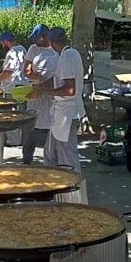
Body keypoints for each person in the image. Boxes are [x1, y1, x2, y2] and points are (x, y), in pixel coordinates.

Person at [35, 26, 85, 172]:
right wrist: (40, 88)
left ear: (51, 41)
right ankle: (53, 189)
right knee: (50, 154)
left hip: (67, 114)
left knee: (68, 160)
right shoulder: (71, 54)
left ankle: (74, 191)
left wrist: (44, 91)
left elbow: (70, 89)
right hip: (61, 114)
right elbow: (59, 81)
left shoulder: (66, 57)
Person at [23, 32, 59, 165]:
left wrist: (45, 84)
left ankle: (51, 161)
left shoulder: (56, 51)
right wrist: (37, 76)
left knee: (52, 130)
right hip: (35, 93)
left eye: (37, 38)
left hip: (50, 95)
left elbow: (57, 77)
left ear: (44, 37)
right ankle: (27, 161)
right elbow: (26, 71)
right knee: (31, 129)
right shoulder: (33, 49)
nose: (35, 41)